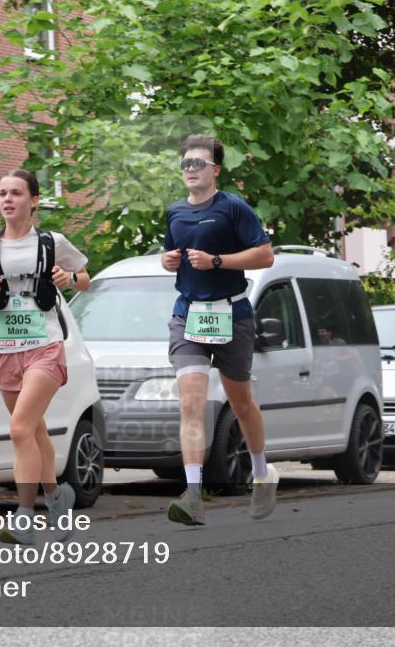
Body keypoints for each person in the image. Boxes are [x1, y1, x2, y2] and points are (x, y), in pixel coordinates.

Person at [0, 169, 91, 544]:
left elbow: (85, 278)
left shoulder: (51, 242)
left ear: (33, 200)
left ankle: (24, 516)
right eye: (2, 193)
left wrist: (69, 278)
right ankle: (56, 497)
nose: (7, 200)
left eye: (16, 193)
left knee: (19, 428)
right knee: (34, 430)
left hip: (45, 348)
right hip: (2, 350)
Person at [161, 135, 276, 525]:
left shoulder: (233, 208)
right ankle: (193, 495)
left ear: (216, 170)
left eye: (198, 163)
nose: (190, 169)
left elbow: (265, 255)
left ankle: (261, 473)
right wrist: (168, 261)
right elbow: (171, 254)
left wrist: (217, 260)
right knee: (190, 404)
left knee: (240, 403)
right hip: (188, 316)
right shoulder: (175, 212)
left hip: (232, 315)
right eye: (185, 164)